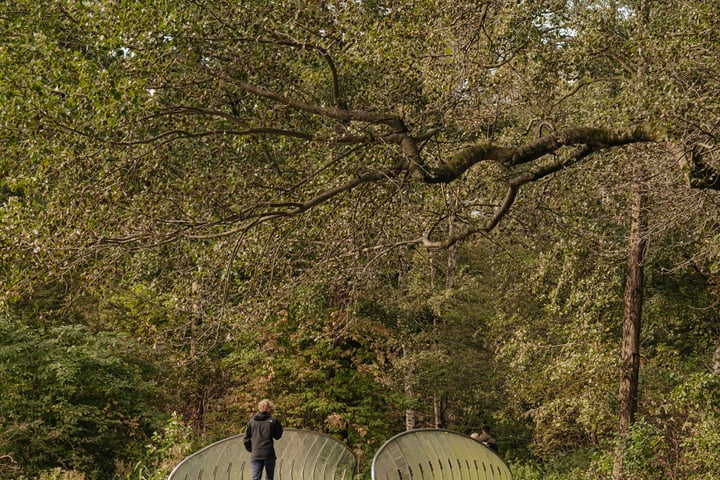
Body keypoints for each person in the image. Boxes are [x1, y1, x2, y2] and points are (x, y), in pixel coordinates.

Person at [243, 399, 284, 480]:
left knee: (255, 478)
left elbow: (246, 439)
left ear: (260, 408)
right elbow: (277, 436)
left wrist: (252, 449)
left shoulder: (251, 421)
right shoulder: (273, 421)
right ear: (271, 409)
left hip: (256, 454)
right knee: (269, 478)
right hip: (269, 454)